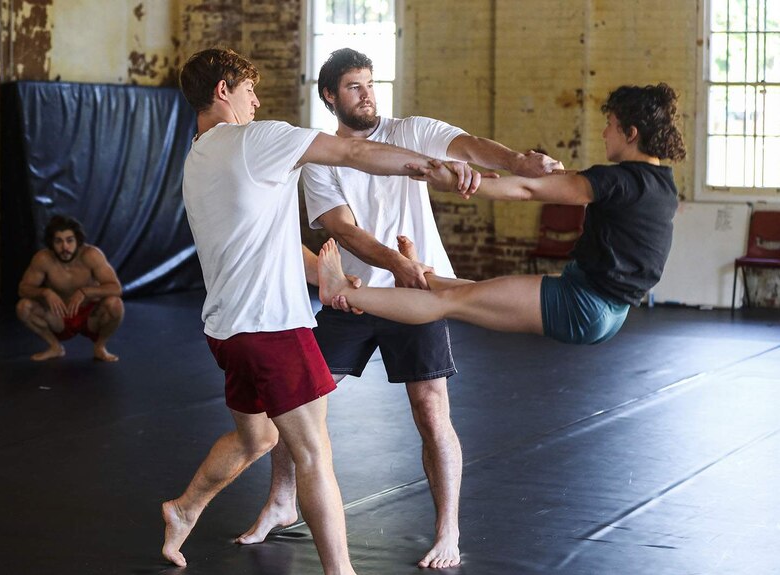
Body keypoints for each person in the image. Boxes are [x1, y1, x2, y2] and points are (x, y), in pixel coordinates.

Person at [237, 47, 563, 570]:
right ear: (329, 96)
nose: (367, 95)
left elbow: (472, 147)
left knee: (431, 408)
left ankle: (448, 530)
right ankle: (281, 501)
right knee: (296, 396)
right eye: (353, 87)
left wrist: (519, 161)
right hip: (352, 293)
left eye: (370, 83)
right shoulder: (320, 155)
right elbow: (343, 230)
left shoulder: (411, 131)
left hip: (417, 295)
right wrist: (396, 264)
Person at [160, 47, 476, 573]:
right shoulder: (255, 140)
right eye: (248, 91)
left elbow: (261, 241)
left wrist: (325, 276)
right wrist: (435, 169)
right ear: (223, 92)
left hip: (225, 330)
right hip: (272, 329)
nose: (256, 101)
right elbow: (353, 155)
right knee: (314, 454)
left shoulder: (198, 156)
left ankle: (183, 509)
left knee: (257, 435)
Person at [318, 83, 686, 347]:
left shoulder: (617, 180)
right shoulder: (661, 183)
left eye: (611, 124)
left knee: (448, 304)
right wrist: (551, 172)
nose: (604, 132)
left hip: (582, 303)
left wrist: (454, 181)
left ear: (631, 133)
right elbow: (570, 184)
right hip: (609, 312)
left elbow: (526, 190)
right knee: (467, 292)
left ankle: (345, 292)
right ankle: (423, 276)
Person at [16, 215, 124, 362]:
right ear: (51, 243)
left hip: (90, 316)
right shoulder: (43, 259)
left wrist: (85, 291)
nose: (65, 247)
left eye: (70, 240)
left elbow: (116, 289)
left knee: (115, 305)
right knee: (23, 307)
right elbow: (23, 289)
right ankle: (55, 347)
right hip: (59, 316)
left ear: (78, 241)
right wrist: (45, 292)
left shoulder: (91, 255)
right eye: (58, 241)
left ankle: (100, 347)